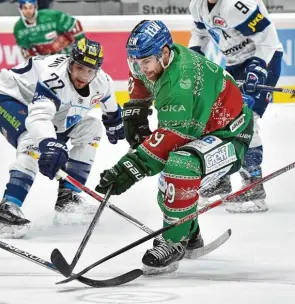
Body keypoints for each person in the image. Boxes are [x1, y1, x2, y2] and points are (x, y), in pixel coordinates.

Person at [95, 20, 254, 275]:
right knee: (167, 183)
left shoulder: (184, 81)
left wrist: (130, 168)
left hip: (230, 135)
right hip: (202, 128)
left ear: (165, 53)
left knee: (181, 164)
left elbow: (174, 138)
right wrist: (136, 112)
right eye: (134, 62)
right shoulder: (153, 62)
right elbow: (139, 80)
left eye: (145, 61)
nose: (140, 68)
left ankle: (174, 241)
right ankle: (188, 232)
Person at [0, 38, 125, 238]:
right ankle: (7, 210)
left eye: (90, 71)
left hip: (41, 108)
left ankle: (67, 198)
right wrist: (49, 143)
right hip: (8, 98)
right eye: (79, 68)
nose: (84, 77)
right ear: (70, 62)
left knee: (91, 128)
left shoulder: (102, 82)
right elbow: (39, 117)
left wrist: (115, 121)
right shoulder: (54, 78)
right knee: (31, 139)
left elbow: (110, 106)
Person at [188, 0, 283, 213]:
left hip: (264, 59)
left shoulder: (236, 5)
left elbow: (269, 38)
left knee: (246, 120)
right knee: (214, 118)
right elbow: (200, 34)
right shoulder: (197, 6)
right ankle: (219, 181)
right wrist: (194, 59)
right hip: (233, 65)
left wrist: (258, 67)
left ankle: (254, 185)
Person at [14, 0, 85, 59]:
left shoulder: (51, 16)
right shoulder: (19, 29)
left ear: (35, 7)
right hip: (48, 60)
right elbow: (26, 50)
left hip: (69, 54)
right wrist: (36, 64)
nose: (28, 11)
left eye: (30, 7)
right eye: (25, 8)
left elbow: (74, 24)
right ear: (20, 9)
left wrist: (82, 48)